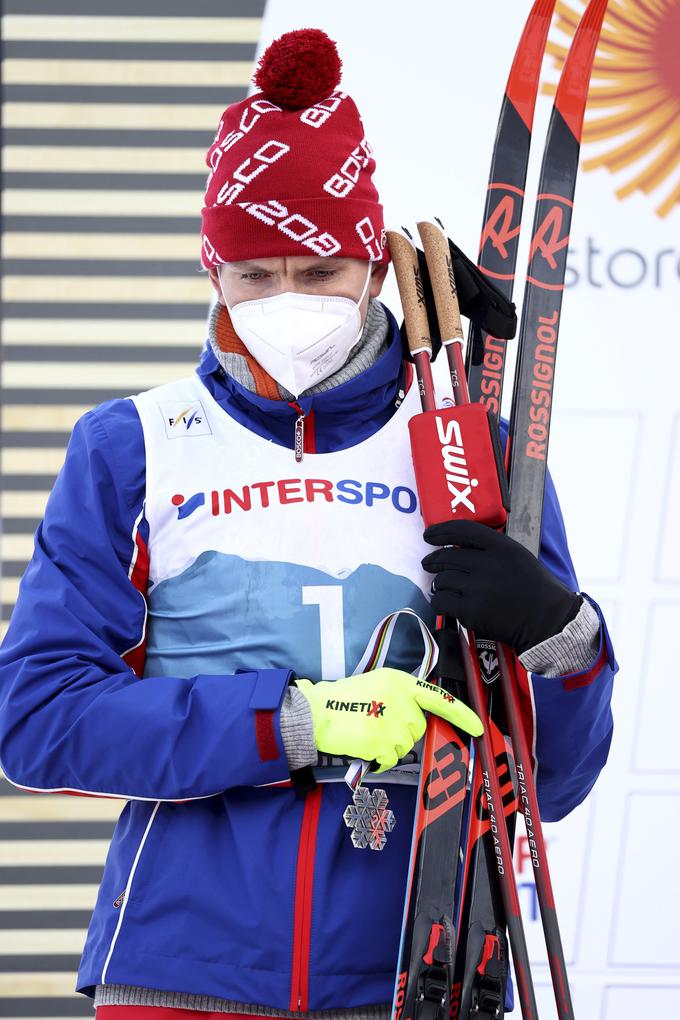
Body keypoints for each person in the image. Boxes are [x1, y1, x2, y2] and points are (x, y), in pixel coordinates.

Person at [0, 28, 617, 1020]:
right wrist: (291, 723)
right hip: (179, 974)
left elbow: (550, 787)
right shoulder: (132, 446)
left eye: (320, 271)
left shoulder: (469, 446)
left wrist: (564, 637)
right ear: (213, 274)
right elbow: (36, 722)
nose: (290, 303)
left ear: (375, 270)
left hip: (421, 968)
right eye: (256, 275)